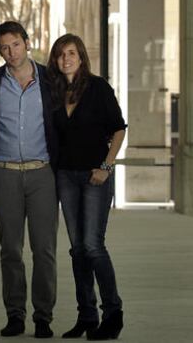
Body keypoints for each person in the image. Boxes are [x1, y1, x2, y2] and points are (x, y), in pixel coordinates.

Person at [46, 33, 126, 341]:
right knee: (77, 249)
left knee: (93, 246)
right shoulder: (55, 92)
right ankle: (87, 316)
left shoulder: (98, 88)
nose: (66, 59)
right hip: (66, 176)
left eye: (72, 54)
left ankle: (113, 313)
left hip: (95, 176)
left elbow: (118, 129)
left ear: (81, 58)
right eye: (61, 54)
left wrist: (106, 167)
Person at [0, 21, 59, 339]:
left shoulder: (51, 80)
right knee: (10, 249)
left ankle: (43, 316)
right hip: (5, 174)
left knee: (44, 249)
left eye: (15, 44)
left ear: (27, 43)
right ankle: (15, 314)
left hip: (43, 173)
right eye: (3, 47)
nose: (10, 52)